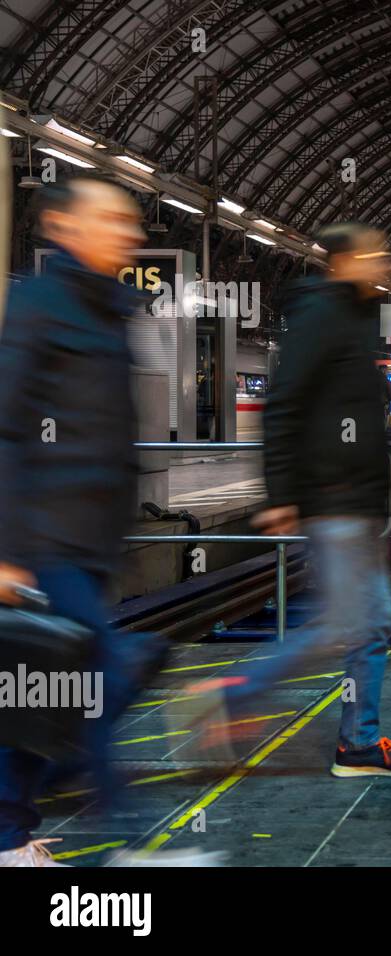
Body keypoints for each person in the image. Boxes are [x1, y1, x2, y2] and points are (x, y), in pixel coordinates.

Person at [182, 223, 391, 780]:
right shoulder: (323, 315)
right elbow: (285, 404)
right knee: (344, 624)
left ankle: (358, 743)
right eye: (371, 255)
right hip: (332, 499)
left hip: (357, 503)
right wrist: (281, 495)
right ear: (342, 261)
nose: (382, 262)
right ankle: (233, 696)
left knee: (369, 623)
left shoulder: (358, 318)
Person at [0, 176, 174, 866]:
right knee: (90, 673)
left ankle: (14, 832)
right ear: (64, 227)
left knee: (49, 688)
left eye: (132, 222)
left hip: (95, 540)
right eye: (111, 220)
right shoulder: (39, 301)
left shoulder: (114, 308)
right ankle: (126, 843)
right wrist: (7, 551)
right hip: (46, 536)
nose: (129, 233)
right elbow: (7, 430)